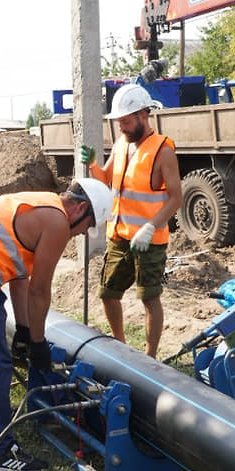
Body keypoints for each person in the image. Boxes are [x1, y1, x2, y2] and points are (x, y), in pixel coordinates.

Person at [0, 178, 113, 471]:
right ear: (80, 208)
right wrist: (39, 343)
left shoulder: (41, 203)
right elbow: (41, 289)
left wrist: (26, 331)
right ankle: (0, 453)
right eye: (87, 226)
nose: (81, 233)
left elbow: (20, 276)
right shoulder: (57, 222)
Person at [81, 84, 182, 358]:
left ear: (142, 115)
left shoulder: (163, 150)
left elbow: (176, 198)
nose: (122, 127)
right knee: (108, 292)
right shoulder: (121, 145)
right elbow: (106, 181)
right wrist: (92, 165)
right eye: (119, 122)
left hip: (149, 240)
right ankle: (121, 347)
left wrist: (150, 228)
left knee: (149, 298)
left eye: (126, 121)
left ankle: (150, 359)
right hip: (120, 235)